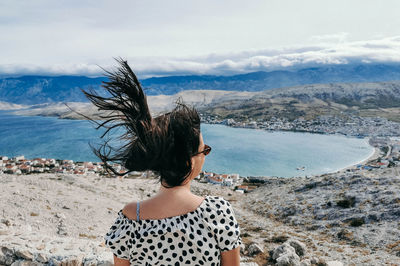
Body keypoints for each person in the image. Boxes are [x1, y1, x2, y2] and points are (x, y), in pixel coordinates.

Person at [83, 59, 241, 265]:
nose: (205, 155)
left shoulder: (131, 218)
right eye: (205, 150)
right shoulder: (217, 212)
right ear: (189, 161)